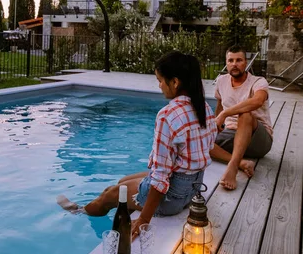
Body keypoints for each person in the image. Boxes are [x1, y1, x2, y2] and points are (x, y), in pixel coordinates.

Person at [57, 51, 217, 239]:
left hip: (171, 199)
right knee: (123, 181)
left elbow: (159, 178)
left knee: (111, 194)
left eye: (160, 80)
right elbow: (206, 149)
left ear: (175, 82)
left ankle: (81, 211)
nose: (159, 86)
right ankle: (101, 207)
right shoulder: (204, 108)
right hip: (193, 191)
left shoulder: (168, 115)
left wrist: (143, 220)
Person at [210, 45, 273, 191]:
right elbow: (219, 106)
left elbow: (257, 101)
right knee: (198, 140)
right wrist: (214, 127)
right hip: (232, 136)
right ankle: (242, 163)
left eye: (239, 60)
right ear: (226, 62)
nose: (234, 64)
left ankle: (232, 167)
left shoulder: (259, 82)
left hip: (258, 139)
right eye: (230, 60)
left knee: (245, 115)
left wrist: (224, 114)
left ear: (246, 63)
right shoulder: (221, 81)